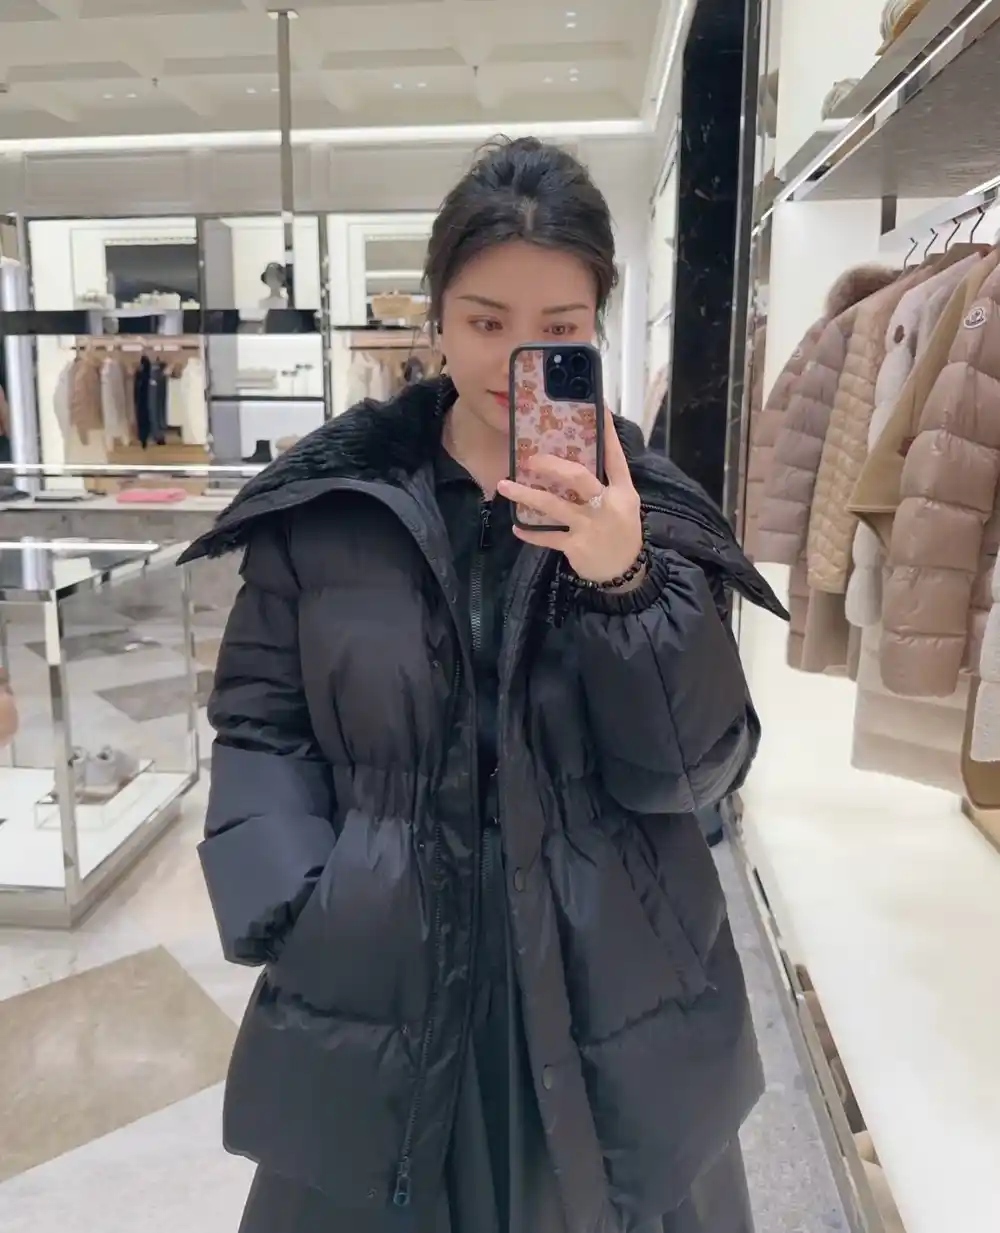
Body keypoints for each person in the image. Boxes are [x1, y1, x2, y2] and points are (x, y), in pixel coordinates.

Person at [181, 136, 787, 1233]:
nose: (517, 358)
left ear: (594, 330)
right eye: (486, 321)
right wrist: (299, 902)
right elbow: (260, 722)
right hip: (383, 967)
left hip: (609, 973)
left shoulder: (651, 512)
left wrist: (624, 579)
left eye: (558, 328)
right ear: (438, 319)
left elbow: (696, 771)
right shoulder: (332, 506)